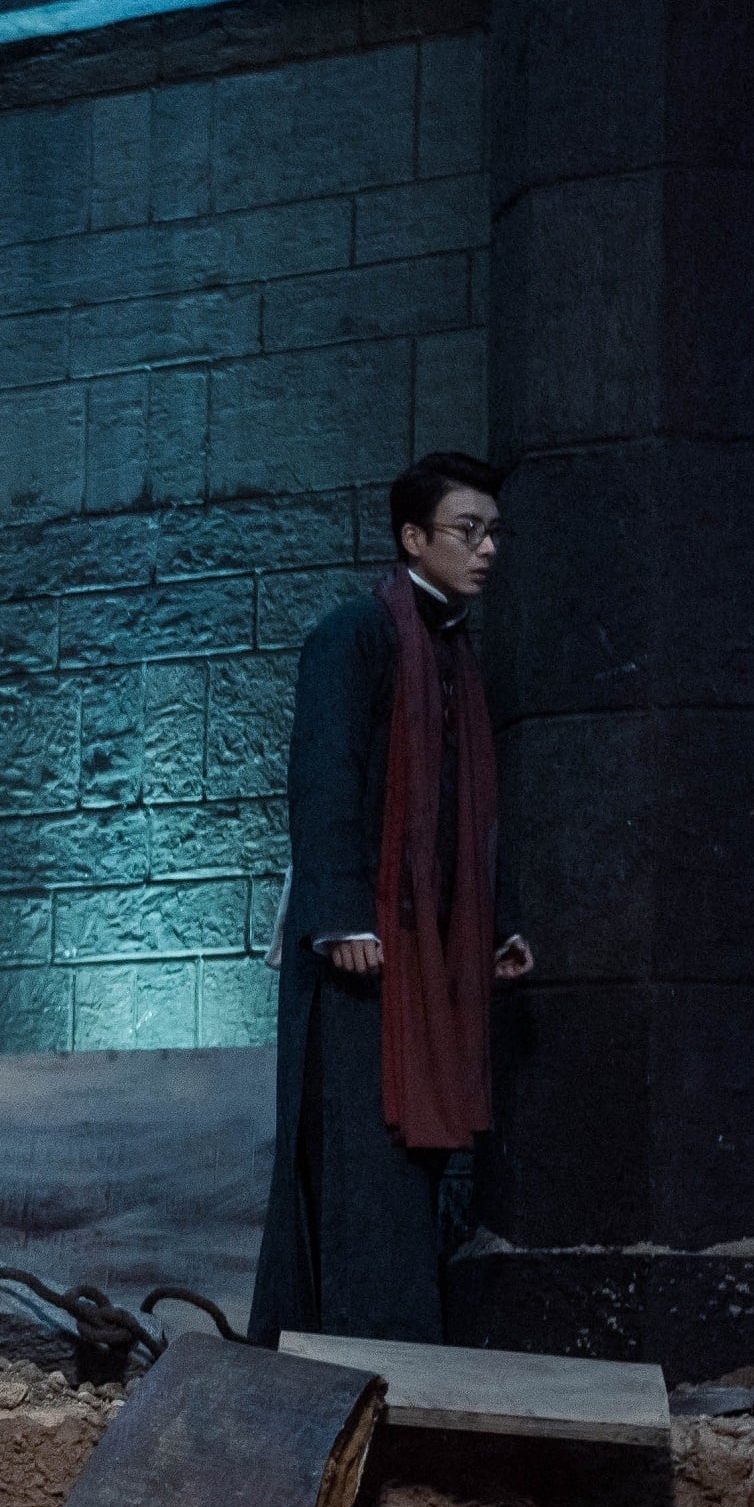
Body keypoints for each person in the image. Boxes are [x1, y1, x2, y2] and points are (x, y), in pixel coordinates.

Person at [248, 452, 535, 1349]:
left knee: (408, 1159)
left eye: (494, 533)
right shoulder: (356, 636)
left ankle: (397, 1348)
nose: (487, 549)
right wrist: (341, 918)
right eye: (468, 531)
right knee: (355, 1154)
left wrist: (494, 927)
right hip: (359, 951)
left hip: (423, 954)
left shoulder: (453, 653)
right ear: (413, 537)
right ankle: (354, 1351)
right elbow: (324, 780)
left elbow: (464, 815)